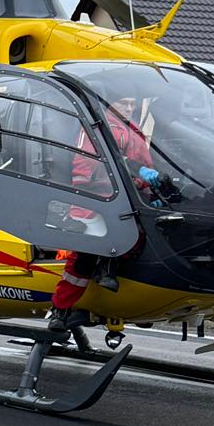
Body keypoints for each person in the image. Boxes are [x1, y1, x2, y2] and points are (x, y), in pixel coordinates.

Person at [48, 91, 164, 326]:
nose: (129, 108)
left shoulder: (133, 132)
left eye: (132, 104)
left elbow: (144, 166)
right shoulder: (99, 129)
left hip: (129, 202)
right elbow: (89, 164)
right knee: (84, 259)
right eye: (124, 103)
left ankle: (126, 293)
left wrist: (150, 190)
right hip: (99, 202)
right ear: (109, 105)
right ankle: (60, 310)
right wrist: (134, 175)